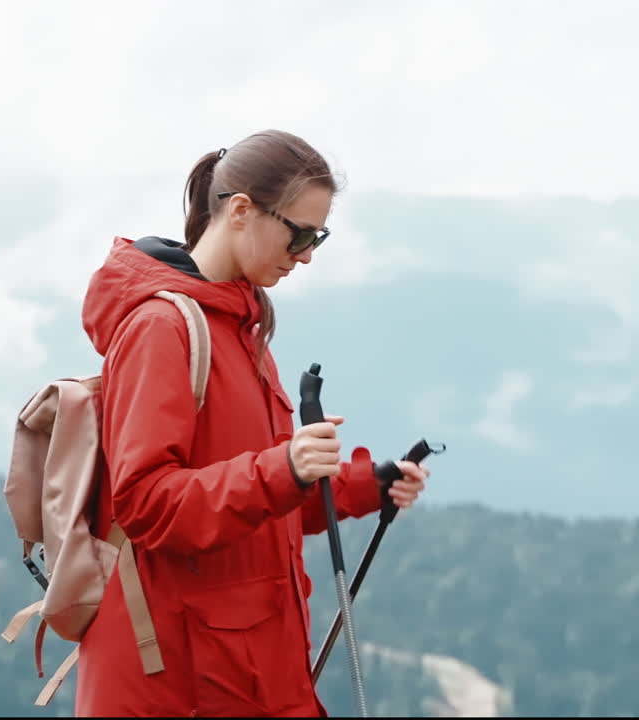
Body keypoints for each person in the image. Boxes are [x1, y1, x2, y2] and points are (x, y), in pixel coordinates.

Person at [74, 129, 431, 717]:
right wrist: (283, 465)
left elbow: (261, 507)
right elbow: (146, 503)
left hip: (246, 673)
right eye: (300, 234)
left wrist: (365, 484)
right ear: (240, 210)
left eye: (320, 236)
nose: (309, 254)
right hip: (176, 681)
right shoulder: (161, 329)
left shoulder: (242, 328)